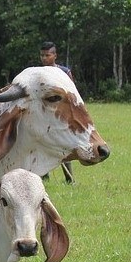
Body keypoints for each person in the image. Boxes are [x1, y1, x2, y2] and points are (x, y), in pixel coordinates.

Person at [40, 41, 75, 184]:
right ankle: (43, 174)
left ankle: (69, 178)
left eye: (47, 55)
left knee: (63, 144)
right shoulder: (38, 73)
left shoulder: (64, 72)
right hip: (44, 113)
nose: (44, 58)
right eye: (41, 55)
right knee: (42, 143)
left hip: (61, 114)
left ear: (55, 55)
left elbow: (72, 94)